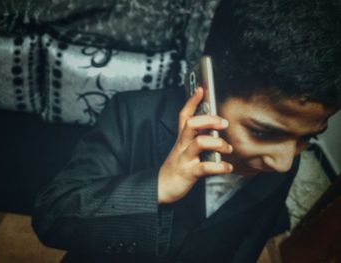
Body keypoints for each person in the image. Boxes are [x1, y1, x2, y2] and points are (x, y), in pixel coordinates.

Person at [32, 0, 341, 262]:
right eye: (263, 132)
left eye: (308, 137)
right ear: (208, 91)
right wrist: (158, 187)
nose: (285, 162)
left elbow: (248, 239)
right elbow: (52, 218)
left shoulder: (284, 157)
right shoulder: (132, 115)